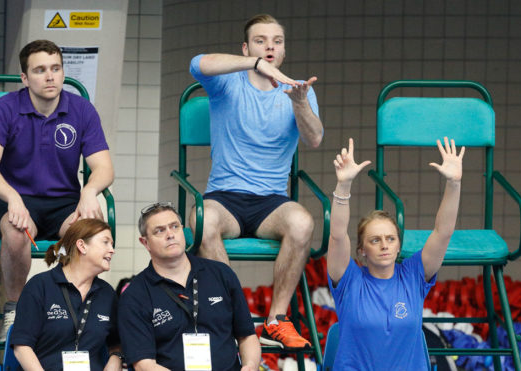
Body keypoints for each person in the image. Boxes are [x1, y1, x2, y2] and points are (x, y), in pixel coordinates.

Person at [188, 13, 324, 349]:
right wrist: (253, 65)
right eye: (261, 40)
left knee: (303, 222)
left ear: (283, 50)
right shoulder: (228, 82)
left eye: (277, 41)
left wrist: (300, 104)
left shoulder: (298, 91)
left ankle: (277, 320)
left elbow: (315, 139)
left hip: (271, 202)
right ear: (247, 47)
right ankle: (235, 320)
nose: (270, 47)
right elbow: (197, 63)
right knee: (202, 222)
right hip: (225, 197)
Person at [0, 39, 114, 341]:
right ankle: (16, 309)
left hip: (64, 202)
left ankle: (68, 303)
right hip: (16, 200)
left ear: (63, 72)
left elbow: (104, 168)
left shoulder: (81, 110)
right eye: (39, 70)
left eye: (55, 69)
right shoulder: (4, 109)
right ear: (24, 78)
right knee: (14, 230)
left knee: (87, 232)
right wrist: (12, 197)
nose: (50, 76)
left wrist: (89, 192)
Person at [327, 137, 464, 370]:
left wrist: (454, 184)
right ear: (361, 250)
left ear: (399, 245)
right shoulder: (349, 280)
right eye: (375, 240)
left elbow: (443, 232)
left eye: (390, 239)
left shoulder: (413, 275)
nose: (384, 245)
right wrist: (344, 186)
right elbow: (338, 235)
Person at [118, 202, 261, 371]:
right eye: (160, 231)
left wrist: (250, 365)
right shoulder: (135, 295)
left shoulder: (222, 274)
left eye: (174, 227)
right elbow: (143, 364)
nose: (170, 234)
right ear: (145, 243)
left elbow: (247, 336)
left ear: (183, 231)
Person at [10, 218, 122, 371]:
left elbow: (117, 342)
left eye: (112, 244)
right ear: (82, 246)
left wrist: (115, 359)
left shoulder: (107, 294)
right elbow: (22, 347)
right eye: (105, 242)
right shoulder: (40, 286)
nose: (112, 250)